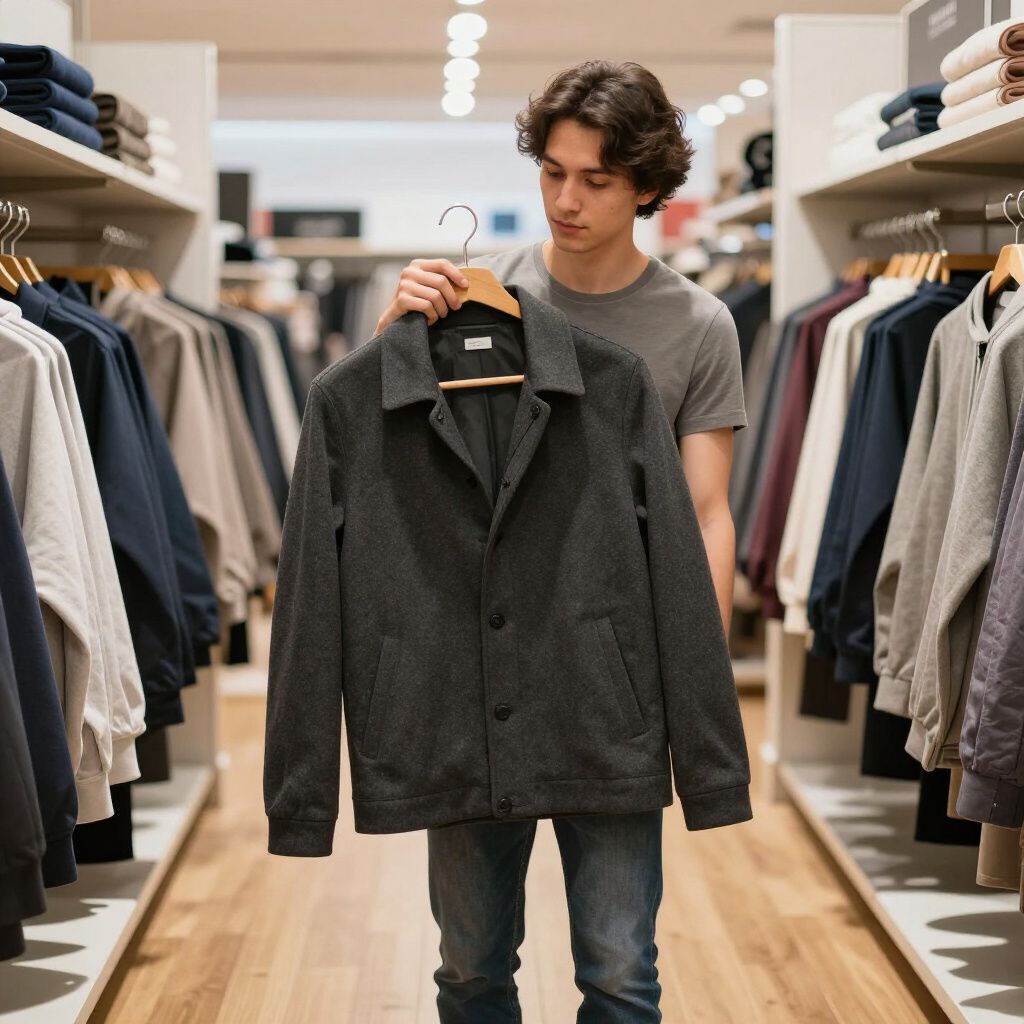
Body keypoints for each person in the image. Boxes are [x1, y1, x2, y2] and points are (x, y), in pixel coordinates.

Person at [372, 59, 748, 1024]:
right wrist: (392, 331)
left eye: (596, 179)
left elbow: (705, 514)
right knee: (468, 963)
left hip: (607, 689)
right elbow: (381, 469)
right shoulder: (469, 301)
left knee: (621, 968)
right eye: (552, 171)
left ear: (651, 188)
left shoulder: (697, 328)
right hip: (470, 682)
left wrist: (684, 686)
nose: (566, 199)